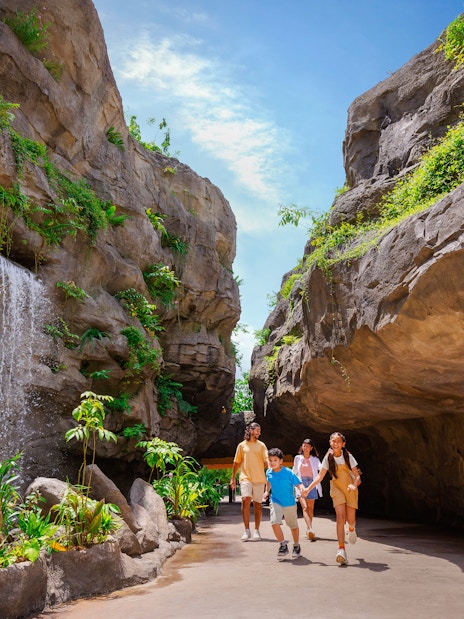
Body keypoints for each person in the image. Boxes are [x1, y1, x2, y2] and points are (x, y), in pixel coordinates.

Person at [303, 431, 361, 565]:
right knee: (340, 517)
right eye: (333, 441)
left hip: (350, 488)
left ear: (343, 444)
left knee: (350, 520)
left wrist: (353, 485)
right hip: (336, 488)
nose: (335, 444)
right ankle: (341, 550)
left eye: (338, 441)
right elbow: (319, 476)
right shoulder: (328, 457)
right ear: (330, 443)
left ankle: (351, 529)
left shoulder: (348, 456)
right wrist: (308, 489)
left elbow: (357, 476)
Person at [263, 447, 306, 560]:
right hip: (275, 501)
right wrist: (266, 492)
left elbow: (298, 483)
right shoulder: (268, 472)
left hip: (289, 503)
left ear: (281, 461)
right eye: (270, 460)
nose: (272, 463)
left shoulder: (288, 472)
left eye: (275, 460)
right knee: (274, 522)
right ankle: (282, 544)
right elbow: (268, 483)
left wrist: (302, 489)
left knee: (293, 526)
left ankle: (296, 545)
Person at [230, 422, 269, 541]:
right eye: (257, 430)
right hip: (245, 478)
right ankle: (246, 530)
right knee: (245, 500)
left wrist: (273, 473)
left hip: (259, 479)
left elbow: (267, 461)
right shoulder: (242, 446)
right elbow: (236, 462)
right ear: (251, 431)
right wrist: (232, 478)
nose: (259, 433)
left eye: (260, 431)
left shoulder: (262, 445)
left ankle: (256, 530)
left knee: (257, 505)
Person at [292, 438, 322, 540]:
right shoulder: (297, 458)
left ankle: (309, 528)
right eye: (304, 446)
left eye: (308, 446)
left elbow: (321, 468)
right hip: (301, 483)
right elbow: (294, 471)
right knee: (304, 507)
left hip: (312, 484)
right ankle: (310, 529)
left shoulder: (315, 459)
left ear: (311, 448)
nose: (305, 448)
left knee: (311, 508)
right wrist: (293, 484)